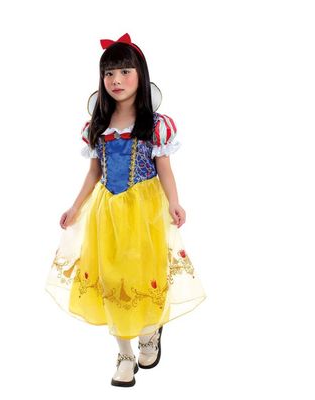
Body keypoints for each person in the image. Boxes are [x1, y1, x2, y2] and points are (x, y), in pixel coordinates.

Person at [44, 33, 207, 387]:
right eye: (109, 73)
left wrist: (174, 201)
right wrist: (75, 207)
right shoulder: (97, 126)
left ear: (140, 75)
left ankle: (149, 330)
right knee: (112, 278)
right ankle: (124, 353)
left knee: (143, 272)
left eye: (124, 72)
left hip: (144, 211)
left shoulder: (155, 124)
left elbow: (164, 168)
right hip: (107, 212)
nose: (116, 80)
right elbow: (94, 173)